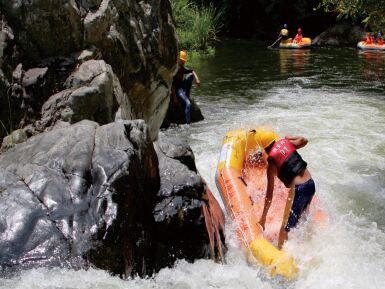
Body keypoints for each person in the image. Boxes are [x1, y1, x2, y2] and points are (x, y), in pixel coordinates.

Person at [255, 128, 315, 249]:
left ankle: (282, 256)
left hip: (299, 190)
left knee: (285, 229)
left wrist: (263, 218)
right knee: (303, 220)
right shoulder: (288, 143)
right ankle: (307, 247)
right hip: (311, 184)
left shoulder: (271, 164)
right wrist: (288, 138)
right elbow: (304, 140)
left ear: (265, 149)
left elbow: (269, 195)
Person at [172, 51, 200, 124]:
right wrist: (175, 98)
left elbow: (192, 71)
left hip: (182, 87)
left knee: (190, 75)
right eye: (182, 61)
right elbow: (173, 85)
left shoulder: (183, 68)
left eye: (184, 61)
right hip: (178, 90)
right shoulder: (175, 70)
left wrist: (197, 79)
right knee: (188, 104)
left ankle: (187, 94)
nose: (183, 62)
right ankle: (188, 124)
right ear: (178, 60)